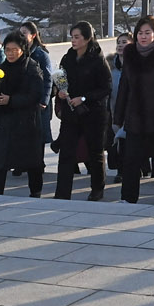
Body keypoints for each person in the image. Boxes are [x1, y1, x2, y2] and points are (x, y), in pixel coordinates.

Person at [114, 15, 154, 203]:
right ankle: (128, 198)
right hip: (134, 117)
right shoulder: (130, 56)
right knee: (131, 160)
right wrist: (118, 118)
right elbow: (124, 88)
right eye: (140, 33)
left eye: (147, 33)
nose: (143, 36)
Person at [53, 21, 113, 201]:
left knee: (94, 152)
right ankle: (62, 193)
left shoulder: (97, 59)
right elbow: (61, 79)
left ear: (87, 39)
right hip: (71, 112)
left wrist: (85, 98)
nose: (73, 40)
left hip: (93, 112)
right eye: (72, 37)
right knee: (66, 153)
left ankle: (97, 188)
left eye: (77, 37)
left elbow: (106, 87)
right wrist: (61, 92)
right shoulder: (68, 57)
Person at [0, 31, 46, 197]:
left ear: (23, 49)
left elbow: (35, 95)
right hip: (5, 123)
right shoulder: (1, 68)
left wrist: (10, 100)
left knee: (32, 161)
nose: (10, 53)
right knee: (0, 161)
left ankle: (36, 192)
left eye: (14, 49)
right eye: (7, 49)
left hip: (27, 123)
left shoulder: (32, 67)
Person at [16, 21, 54, 178]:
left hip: (39, 101)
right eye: (20, 33)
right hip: (23, 100)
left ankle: (38, 163)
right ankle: (21, 163)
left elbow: (48, 79)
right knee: (21, 133)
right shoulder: (19, 53)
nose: (21, 36)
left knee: (38, 134)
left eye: (24, 33)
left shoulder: (41, 54)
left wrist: (44, 100)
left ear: (33, 35)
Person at [107, 32, 132, 183]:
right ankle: (120, 170)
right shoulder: (110, 66)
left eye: (124, 42)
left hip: (132, 110)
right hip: (114, 109)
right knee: (118, 142)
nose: (121, 45)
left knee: (126, 142)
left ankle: (125, 171)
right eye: (119, 42)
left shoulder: (136, 64)